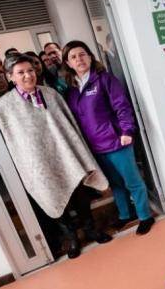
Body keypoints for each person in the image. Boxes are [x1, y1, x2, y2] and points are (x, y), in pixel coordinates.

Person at [0, 54, 112, 259]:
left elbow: (69, 125)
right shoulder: (5, 105)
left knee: (80, 194)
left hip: (65, 153)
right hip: (38, 161)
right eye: (20, 73)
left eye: (30, 70)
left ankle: (91, 230)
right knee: (54, 196)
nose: (27, 76)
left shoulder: (50, 94)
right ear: (10, 77)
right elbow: (13, 140)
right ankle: (73, 239)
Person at [62, 40, 155, 235]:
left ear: (90, 57)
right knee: (114, 184)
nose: (79, 59)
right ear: (68, 63)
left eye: (82, 54)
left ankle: (145, 216)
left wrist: (127, 131)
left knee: (133, 182)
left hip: (117, 141)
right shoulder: (70, 91)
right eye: (73, 57)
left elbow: (122, 106)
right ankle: (125, 215)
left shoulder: (105, 79)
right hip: (95, 147)